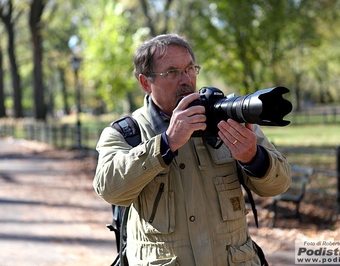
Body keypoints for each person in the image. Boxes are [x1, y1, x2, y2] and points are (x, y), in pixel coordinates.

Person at [93, 33, 291, 266]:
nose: (185, 79)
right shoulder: (126, 133)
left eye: (190, 69)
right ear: (146, 83)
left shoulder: (229, 120)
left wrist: (253, 158)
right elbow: (109, 189)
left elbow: (280, 183)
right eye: (172, 72)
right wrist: (166, 143)